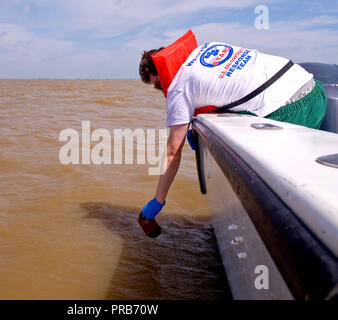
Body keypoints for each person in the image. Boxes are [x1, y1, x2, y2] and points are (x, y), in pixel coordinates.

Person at [138, 41, 327, 223]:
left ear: (162, 73)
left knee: (287, 189)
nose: (161, 90)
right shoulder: (207, 48)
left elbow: (172, 154)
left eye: (157, 85)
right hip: (315, 91)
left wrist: (158, 200)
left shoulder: (178, 88)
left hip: (290, 111)